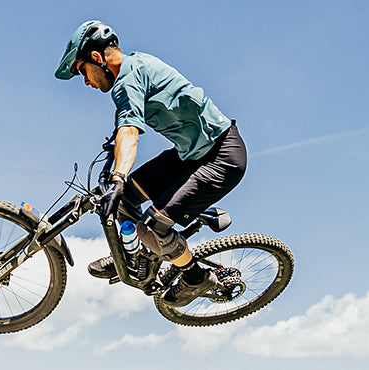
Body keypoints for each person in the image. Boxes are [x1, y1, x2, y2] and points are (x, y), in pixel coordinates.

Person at [54, 20, 247, 306]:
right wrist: (116, 163)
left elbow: (130, 131)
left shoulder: (128, 80)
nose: (85, 81)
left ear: (96, 57)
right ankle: (134, 256)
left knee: (151, 228)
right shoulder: (135, 67)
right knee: (124, 199)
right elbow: (125, 123)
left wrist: (118, 177)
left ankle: (196, 278)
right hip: (190, 154)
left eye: (82, 71)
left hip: (221, 157)